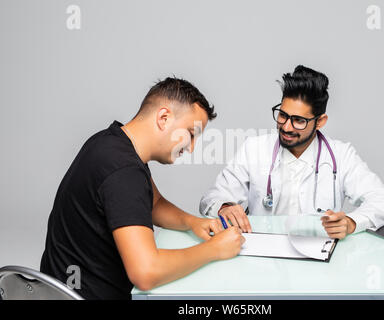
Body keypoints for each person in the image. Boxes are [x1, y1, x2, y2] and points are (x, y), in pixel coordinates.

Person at [40, 77, 244, 300]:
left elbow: (153, 203)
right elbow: (145, 272)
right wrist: (214, 250)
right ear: (164, 118)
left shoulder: (111, 142)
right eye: (191, 134)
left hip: (56, 289)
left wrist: (193, 222)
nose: (191, 147)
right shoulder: (124, 171)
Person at [200, 65, 384, 239]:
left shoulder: (341, 155)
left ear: (320, 122)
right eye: (282, 116)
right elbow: (211, 198)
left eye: (299, 120)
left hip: (319, 260)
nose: (286, 127)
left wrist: (351, 222)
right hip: (263, 258)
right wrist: (224, 206)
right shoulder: (254, 149)